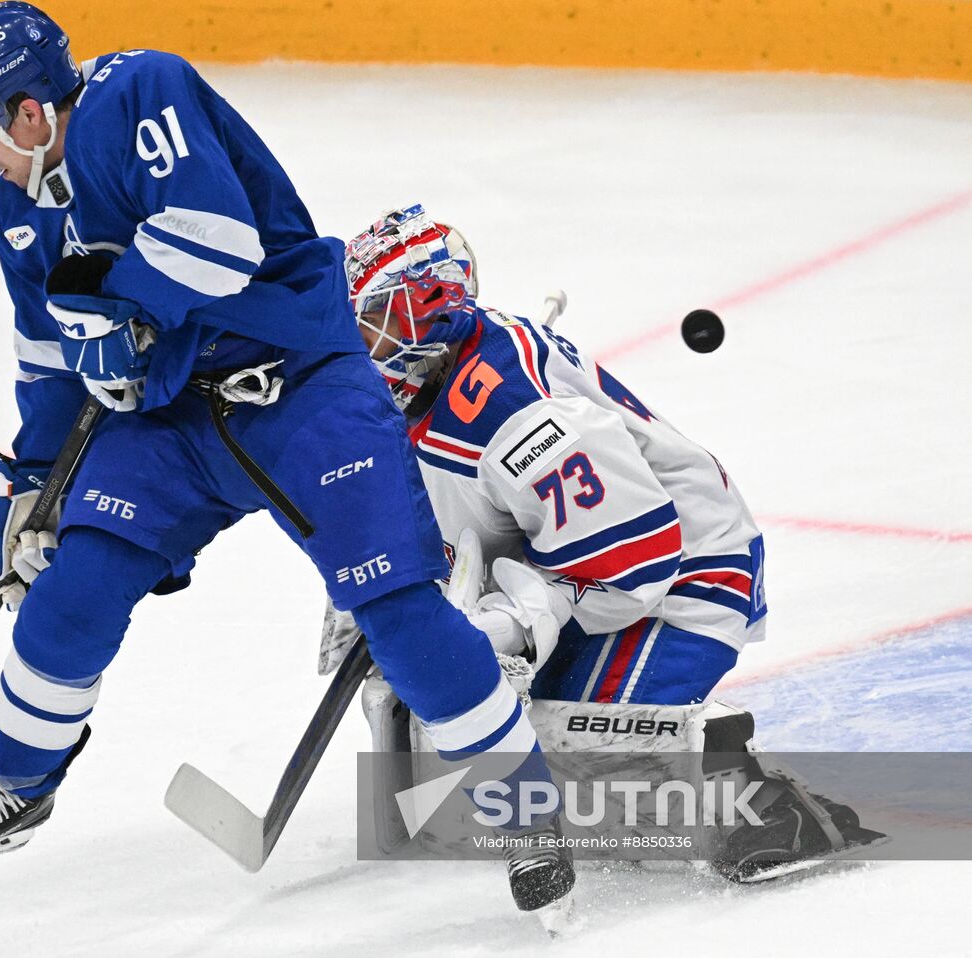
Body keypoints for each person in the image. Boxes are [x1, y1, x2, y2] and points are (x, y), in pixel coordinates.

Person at [0, 3, 570, 912]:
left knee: (401, 618)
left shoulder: (143, 90)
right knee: (72, 587)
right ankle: (21, 785)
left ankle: (532, 813)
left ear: (28, 112)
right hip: (173, 423)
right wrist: (27, 490)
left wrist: (121, 302)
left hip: (303, 389)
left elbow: (219, 240)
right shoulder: (15, 217)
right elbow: (50, 362)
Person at [337, 204, 886, 882]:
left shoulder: (523, 420)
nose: (358, 336)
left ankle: (759, 800)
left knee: (562, 770)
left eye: (378, 317)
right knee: (478, 729)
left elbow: (634, 563)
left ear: (433, 311)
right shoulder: (435, 373)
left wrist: (513, 625)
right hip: (584, 572)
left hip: (682, 577)